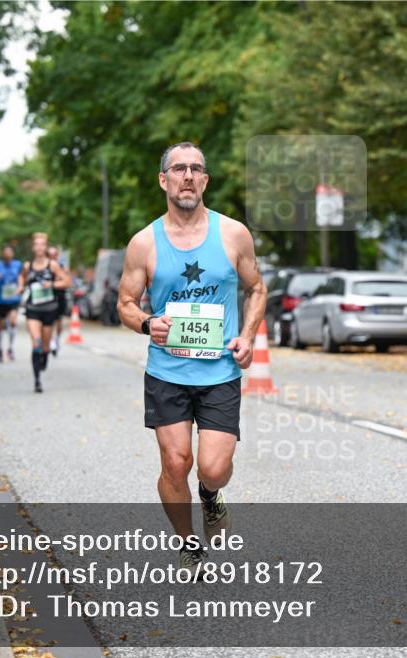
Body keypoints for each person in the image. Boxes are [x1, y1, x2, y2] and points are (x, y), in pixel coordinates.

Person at [117, 141, 267, 574]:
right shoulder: (144, 243)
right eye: (178, 169)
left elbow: (257, 288)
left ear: (205, 180)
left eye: (196, 169)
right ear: (164, 180)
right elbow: (125, 302)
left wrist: (247, 336)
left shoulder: (233, 234)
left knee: (214, 468)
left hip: (219, 369)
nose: (188, 176)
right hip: (167, 370)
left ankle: (210, 495)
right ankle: (188, 544)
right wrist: (147, 323)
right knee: (175, 461)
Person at [20, 233, 71, 392]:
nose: (40, 247)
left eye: (43, 244)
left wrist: (52, 284)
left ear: (46, 247)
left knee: (45, 346)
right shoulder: (27, 266)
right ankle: (37, 381)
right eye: (37, 244)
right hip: (33, 309)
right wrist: (20, 286)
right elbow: (21, 279)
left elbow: (66, 281)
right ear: (33, 247)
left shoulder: (53, 265)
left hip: (49, 309)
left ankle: (45, 356)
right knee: (36, 342)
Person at [0, 244, 23, 363]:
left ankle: (10, 348)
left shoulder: (17, 265)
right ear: (2, 254)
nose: (7, 254)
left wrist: (20, 287)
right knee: (0, 325)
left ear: (13, 254)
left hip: (13, 299)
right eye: (5, 252)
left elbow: (21, 277)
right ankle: (0, 348)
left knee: (13, 321)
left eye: (9, 252)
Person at [47, 245, 69, 356]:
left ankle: (57, 340)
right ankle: (50, 342)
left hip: (60, 296)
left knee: (59, 323)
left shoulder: (62, 267)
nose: (52, 257)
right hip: (48, 297)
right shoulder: (44, 267)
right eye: (50, 255)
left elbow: (67, 281)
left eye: (54, 255)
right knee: (49, 322)